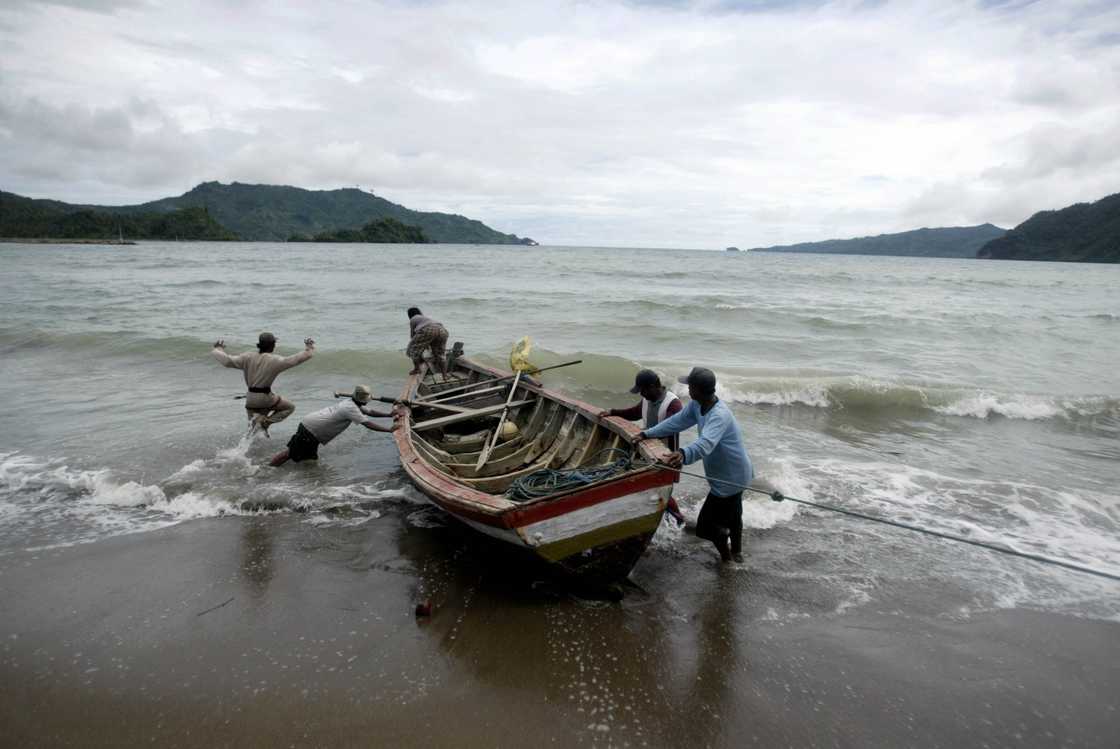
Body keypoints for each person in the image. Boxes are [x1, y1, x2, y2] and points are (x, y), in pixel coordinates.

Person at [638, 367, 754, 563]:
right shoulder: (697, 406)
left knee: (705, 528)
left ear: (697, 389)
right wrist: (648, 433)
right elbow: (677, 421)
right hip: (734, 474)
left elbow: (706, 443)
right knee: (734, 516)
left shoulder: (719, 415)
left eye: (690, 386)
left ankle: (726, 558)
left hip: (730, 478)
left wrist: (683, 453)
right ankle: (737, 554)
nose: (687, 389)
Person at [599, 369, 687, 526]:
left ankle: (679, 519)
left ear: (653, 386)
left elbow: (669, 427)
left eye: (643, 390)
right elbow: (634, 413)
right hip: (647, 451)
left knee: (662, 491)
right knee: (655, 490)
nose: (642, 394)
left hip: (667, 456)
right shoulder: (647, 399)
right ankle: (669, 519)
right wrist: (613, 412)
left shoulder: (673, 404)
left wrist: (645, 435)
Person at [212, 332, 315, 432]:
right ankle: (266, 422)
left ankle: (247, 447)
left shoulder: (247, 357)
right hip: (266, 398)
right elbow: (299, 358)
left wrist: (218, 348)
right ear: (273, 345)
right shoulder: (275, 360)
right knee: (289, 407)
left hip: (250, 399)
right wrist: (309, 347)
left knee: (252, 432)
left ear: (259, 345)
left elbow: (227, 361)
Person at [270, 385, 396, 466]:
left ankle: (298, 477)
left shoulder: (351, 403)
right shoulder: (350, 408)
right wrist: (389, 430)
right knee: (290, 454)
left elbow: (371, 412)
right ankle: (269, 469)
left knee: (310, 460)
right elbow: (367, 424)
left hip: (311, 427)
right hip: (311, 430)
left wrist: (389, 415)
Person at [406, 307, 449, 377]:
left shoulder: (413, 318)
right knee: (439, 354)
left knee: (412, 350)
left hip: (428, 329)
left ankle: (417, 369)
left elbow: (413, 336)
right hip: (442, 330)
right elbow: (432, 336)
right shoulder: (425, 318)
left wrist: (417, 349)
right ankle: (445, 375)